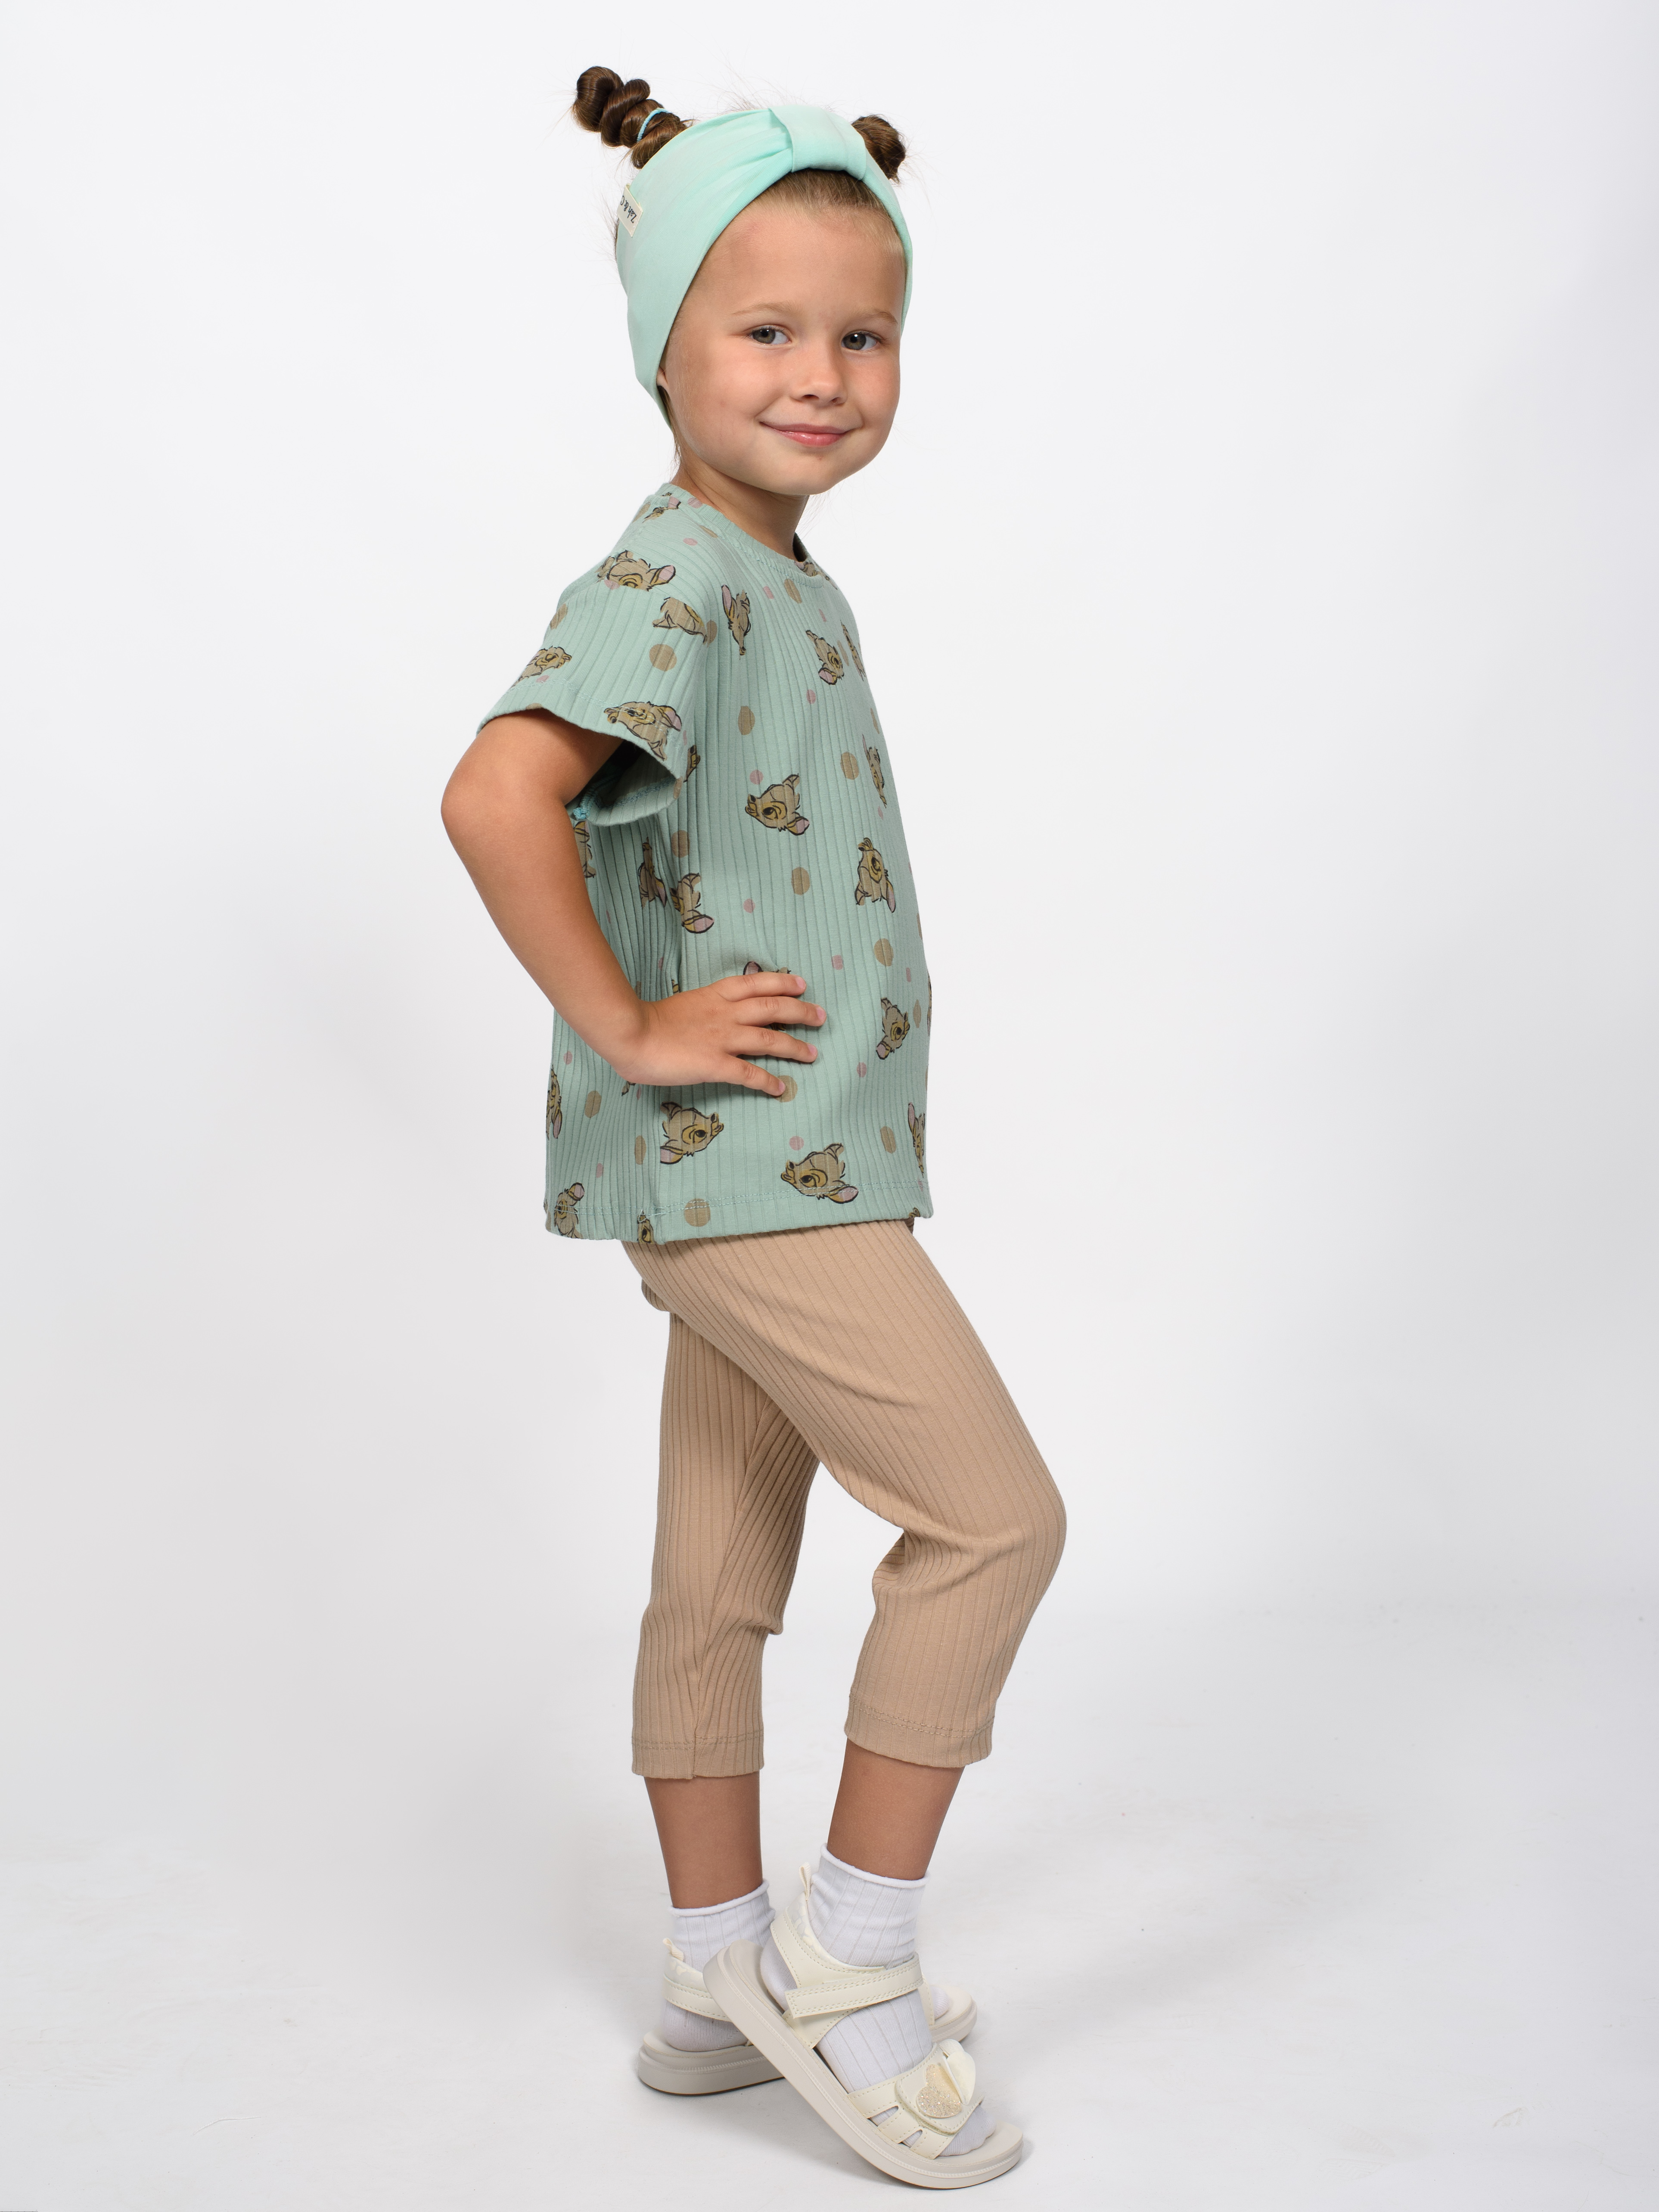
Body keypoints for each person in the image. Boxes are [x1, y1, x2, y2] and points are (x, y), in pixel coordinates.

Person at [441, 65, 1065, 2188]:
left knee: (716, 1575)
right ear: (663, 350)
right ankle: (845, 1957)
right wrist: (628, 1024)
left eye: (862, 334)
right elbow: (495, 792)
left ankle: (716, 1970)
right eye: (767, 329)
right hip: (750, 1174)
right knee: (995, 1524)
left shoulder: (779, 576)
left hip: (786, 1162)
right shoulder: (679, 577)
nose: (821, 376)